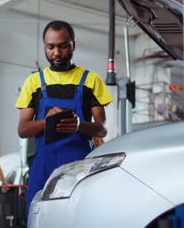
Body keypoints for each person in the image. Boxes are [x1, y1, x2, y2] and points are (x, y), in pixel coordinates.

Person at [15, 20, 113, 215]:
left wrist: (78, 125)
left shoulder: (91, 80)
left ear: (72, 45)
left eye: (62, 46)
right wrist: (47, 121)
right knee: (37, 216)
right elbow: (23, 130)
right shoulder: (34, 82)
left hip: (79, 162)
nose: (56, 53)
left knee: (76, 216)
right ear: (45, 47)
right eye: (50, 47)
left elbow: (102, 128)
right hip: (43, 164)